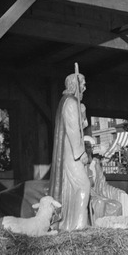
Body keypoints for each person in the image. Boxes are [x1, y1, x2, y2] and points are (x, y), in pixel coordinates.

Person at [49, 67, 91, 232]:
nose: (85, 88)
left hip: (67, 151)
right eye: (83, 85)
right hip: (71, 153)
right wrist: (81, 153)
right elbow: (73, 130)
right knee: (83, 186)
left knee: (72, 188)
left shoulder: (69, 102)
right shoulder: (71, 102)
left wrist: (83, 114)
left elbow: (81, 125)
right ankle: (80, 226)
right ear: (76, 85)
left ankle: (68, 224)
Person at [85, 135, 128, 223]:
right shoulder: (81, 166)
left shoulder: (96, 164)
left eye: (89, 147)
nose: (88, 150)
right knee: (99, 203)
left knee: (117, 205)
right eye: (86, 147)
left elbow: (102, 185)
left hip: (97, 194)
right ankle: (98, 228)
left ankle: (113, 228)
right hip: (87, 196)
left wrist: (118, 192)